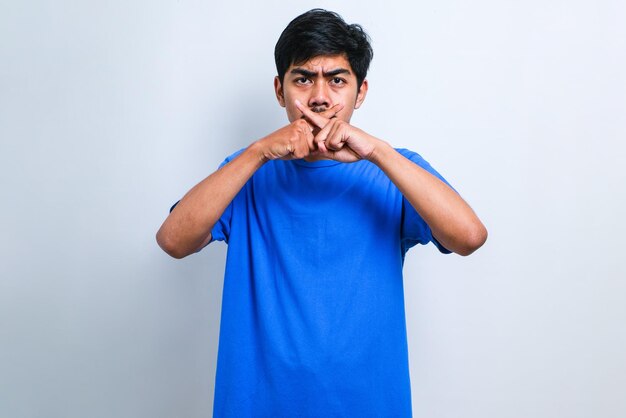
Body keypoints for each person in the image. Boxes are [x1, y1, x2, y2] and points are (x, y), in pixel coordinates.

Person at [157, 8, 487, 417]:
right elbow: (173, 240)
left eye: (337, 80)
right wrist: (258, 151)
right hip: (258, 405)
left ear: (360, 92)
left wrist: (377, 152)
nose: (319, 96)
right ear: (280, 91)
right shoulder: (246, 171)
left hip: (367, 405)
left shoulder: (396, 170)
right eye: (303, 79)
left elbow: (469, 237)